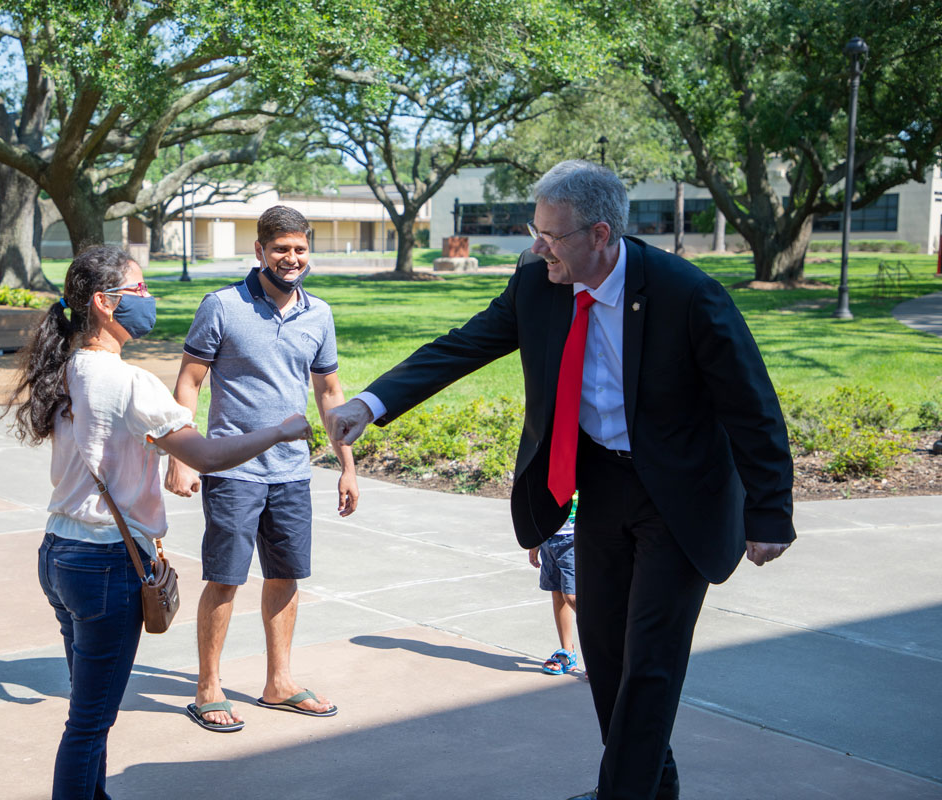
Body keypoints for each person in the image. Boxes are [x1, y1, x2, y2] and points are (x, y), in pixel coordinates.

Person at [325, 161, 795, 800]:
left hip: (682, 495)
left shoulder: (688, 294)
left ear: (600, 234)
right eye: (534, 230)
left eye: (551, 235)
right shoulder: (537, 283)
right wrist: (371, 403)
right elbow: (463, 346)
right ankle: (649, 790)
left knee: (650, 665)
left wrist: (770, 512)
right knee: (606, 659)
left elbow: (752, 407)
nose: (535, 246)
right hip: (602, 485)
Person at [4, 244, 311, 800]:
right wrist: (279, 432)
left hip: (59, 554)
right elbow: (208, 457)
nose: (149, 300)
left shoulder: (65, 367)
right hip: (105, 563)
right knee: (90, 722)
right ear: (105, 303)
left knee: (87, 710)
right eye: (139, 291)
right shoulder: (131, 383)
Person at [165, 205, 359, 733]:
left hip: (292, 472)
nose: (291, 258)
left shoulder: (318, 313)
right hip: (232, 469)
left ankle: (280, 683)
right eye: (280, 249)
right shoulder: (222, 306)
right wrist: (182, 456)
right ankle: (208, 687)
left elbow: (330, 393)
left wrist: (346, 465)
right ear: (259, 251)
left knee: (285, 576)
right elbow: (190, 382)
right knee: (225, 579)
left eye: (299, 249)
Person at [530, 491, 578, 676]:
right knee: (558, 593)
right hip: (549, 535)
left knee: (572, 596)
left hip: (574, 537)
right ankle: (568, 653)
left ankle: (600, 654)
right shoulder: (545, 464)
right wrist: (535, 540)